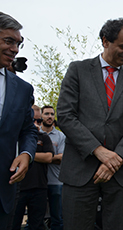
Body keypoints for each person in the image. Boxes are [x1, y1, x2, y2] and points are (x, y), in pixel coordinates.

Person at [56, 18, 123, 230]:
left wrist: (117, 159)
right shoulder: (77, 70)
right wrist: (99, 151)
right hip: (79, 170)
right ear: (105, 41)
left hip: (121, 174)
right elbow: (66, 116)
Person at [0, 12, 38, 229]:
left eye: (18, 44)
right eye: (8, 41)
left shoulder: (23, 89)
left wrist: (26, 154)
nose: (14, 49)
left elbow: (28, 131)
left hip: (4, 190)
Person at [12, 105, 53, 230]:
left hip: (39, 187)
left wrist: (26, 155)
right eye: (32, 120)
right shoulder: (15, 137)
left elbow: (48, 157)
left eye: (39, 121)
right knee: (13, 223)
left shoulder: (44, 137)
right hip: (18, 186)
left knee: (37, 224)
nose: (36, 124)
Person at [40, 105, 65, 230]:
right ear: (41, 116)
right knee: (36, 219)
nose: (49, 117)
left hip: (56, 182)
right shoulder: (36, 134)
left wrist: (44, 158)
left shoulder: (60, 136)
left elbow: (61, 158)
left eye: (51, 114)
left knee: (58, 218)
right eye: (46, 114)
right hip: (38, 183)